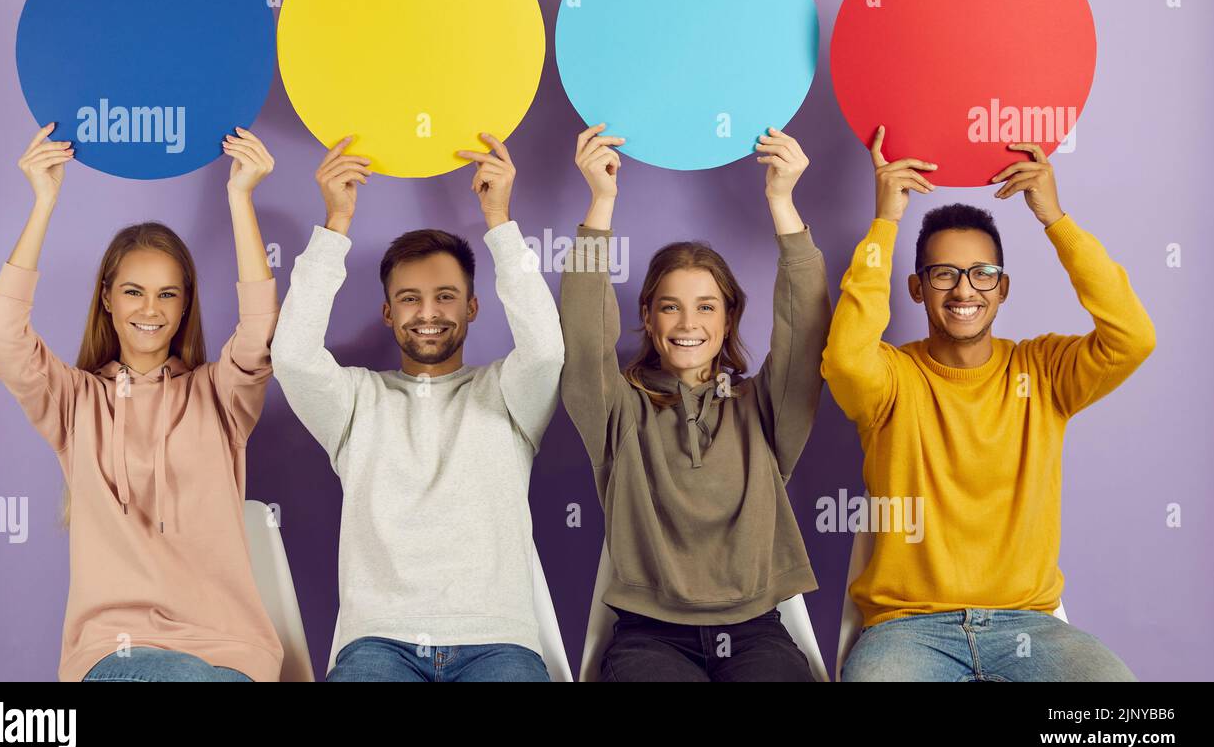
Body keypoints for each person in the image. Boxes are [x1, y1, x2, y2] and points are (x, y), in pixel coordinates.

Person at [823, 127, 1155, 682]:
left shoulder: (1045, 372)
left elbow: (1133, 337)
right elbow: (845, 360)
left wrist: (1056, 219)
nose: (963, 290)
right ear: (915, 288)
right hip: (909, 630)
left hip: (1028, 625)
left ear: (1003, 288)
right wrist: (886, 221)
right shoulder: (890, 379)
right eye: (943, 274)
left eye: (982, 274)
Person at [0, 123, 285, 682]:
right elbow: (4, 339)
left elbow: (262, 333)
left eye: (168, 293)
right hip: (113, 654)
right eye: (133, 291)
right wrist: (44, 200)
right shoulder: (76, 402)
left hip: (229, 654)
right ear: (107, 299)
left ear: (185, 304)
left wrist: (240, 197)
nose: (152, 308)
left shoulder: (219, 396)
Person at [272, 133, 564, 682]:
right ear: (388, 312)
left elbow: (546, 349)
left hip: (496, 644)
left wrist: (499, 220)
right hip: (379, 645)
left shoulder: (508, 393)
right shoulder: (356, 401)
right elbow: (291, 357)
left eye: (445, 296)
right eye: (410, 298)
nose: (428, 312)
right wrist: (335, 223)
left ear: (474, 306)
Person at [560, 123, 831, 682]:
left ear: (728, 317)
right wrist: (600, 203)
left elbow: (805, 333)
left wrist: (783, 202)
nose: (688, 323)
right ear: (648, 317)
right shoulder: (618, 409)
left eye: (706, 307)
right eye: (670, 307)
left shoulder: (760, 407)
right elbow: (584, 340)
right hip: (648, 638)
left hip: (757, 631)